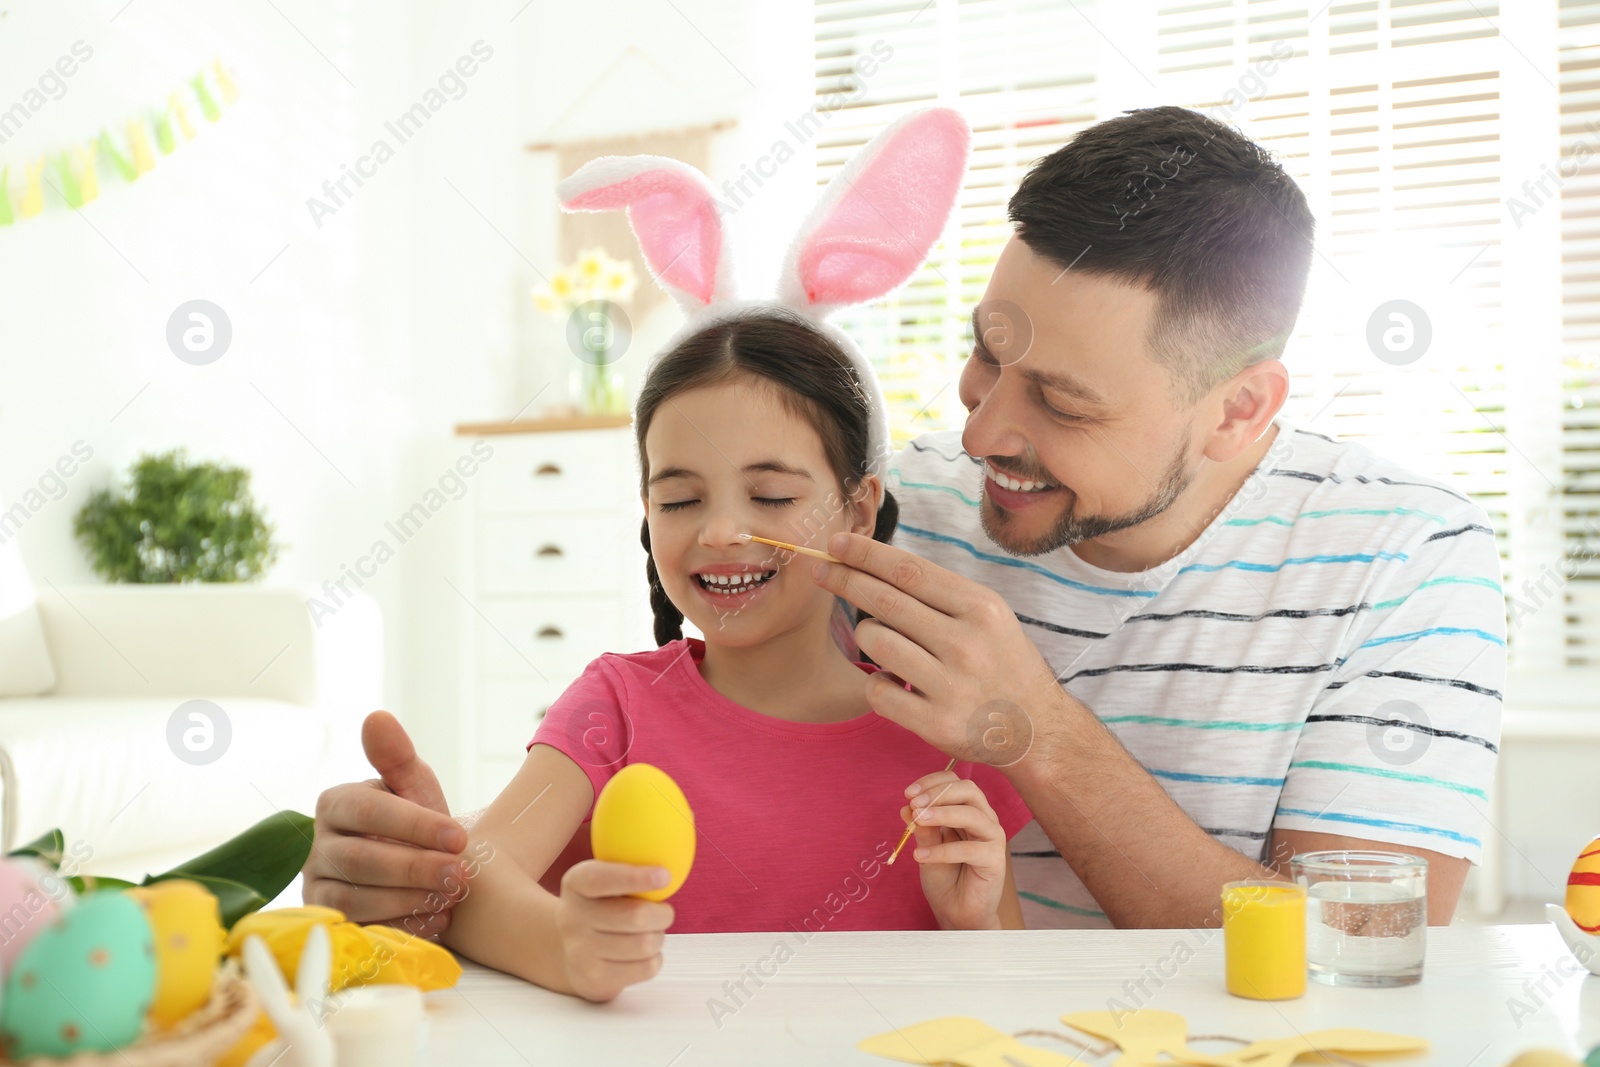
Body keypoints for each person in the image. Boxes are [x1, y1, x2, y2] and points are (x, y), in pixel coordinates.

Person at [304, 105, 1504, 936]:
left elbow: (1355, 957)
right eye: (986, 355)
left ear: (1239, 410)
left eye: (1063, 402)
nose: (980, 434)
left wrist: (1033, 728)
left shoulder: (1410, 560)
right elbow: (673, 734)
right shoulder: (882, 507)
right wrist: (419, 869)